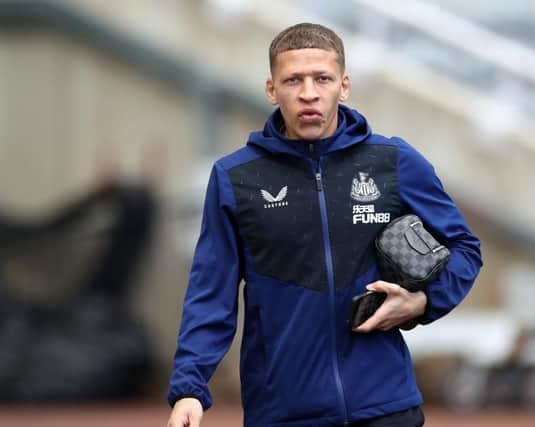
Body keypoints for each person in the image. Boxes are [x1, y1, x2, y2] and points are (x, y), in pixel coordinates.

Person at [167, 22, 482, 427]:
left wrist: (424, 302)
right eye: (293, 80)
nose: (309, 93)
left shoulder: (393, 161)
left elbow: (464, 248)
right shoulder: (236, 178)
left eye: (323, 78)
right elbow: (211, 292)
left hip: (386, 406)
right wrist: (190, 388)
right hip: (283, 412)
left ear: (344, 85)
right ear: (271, 89)